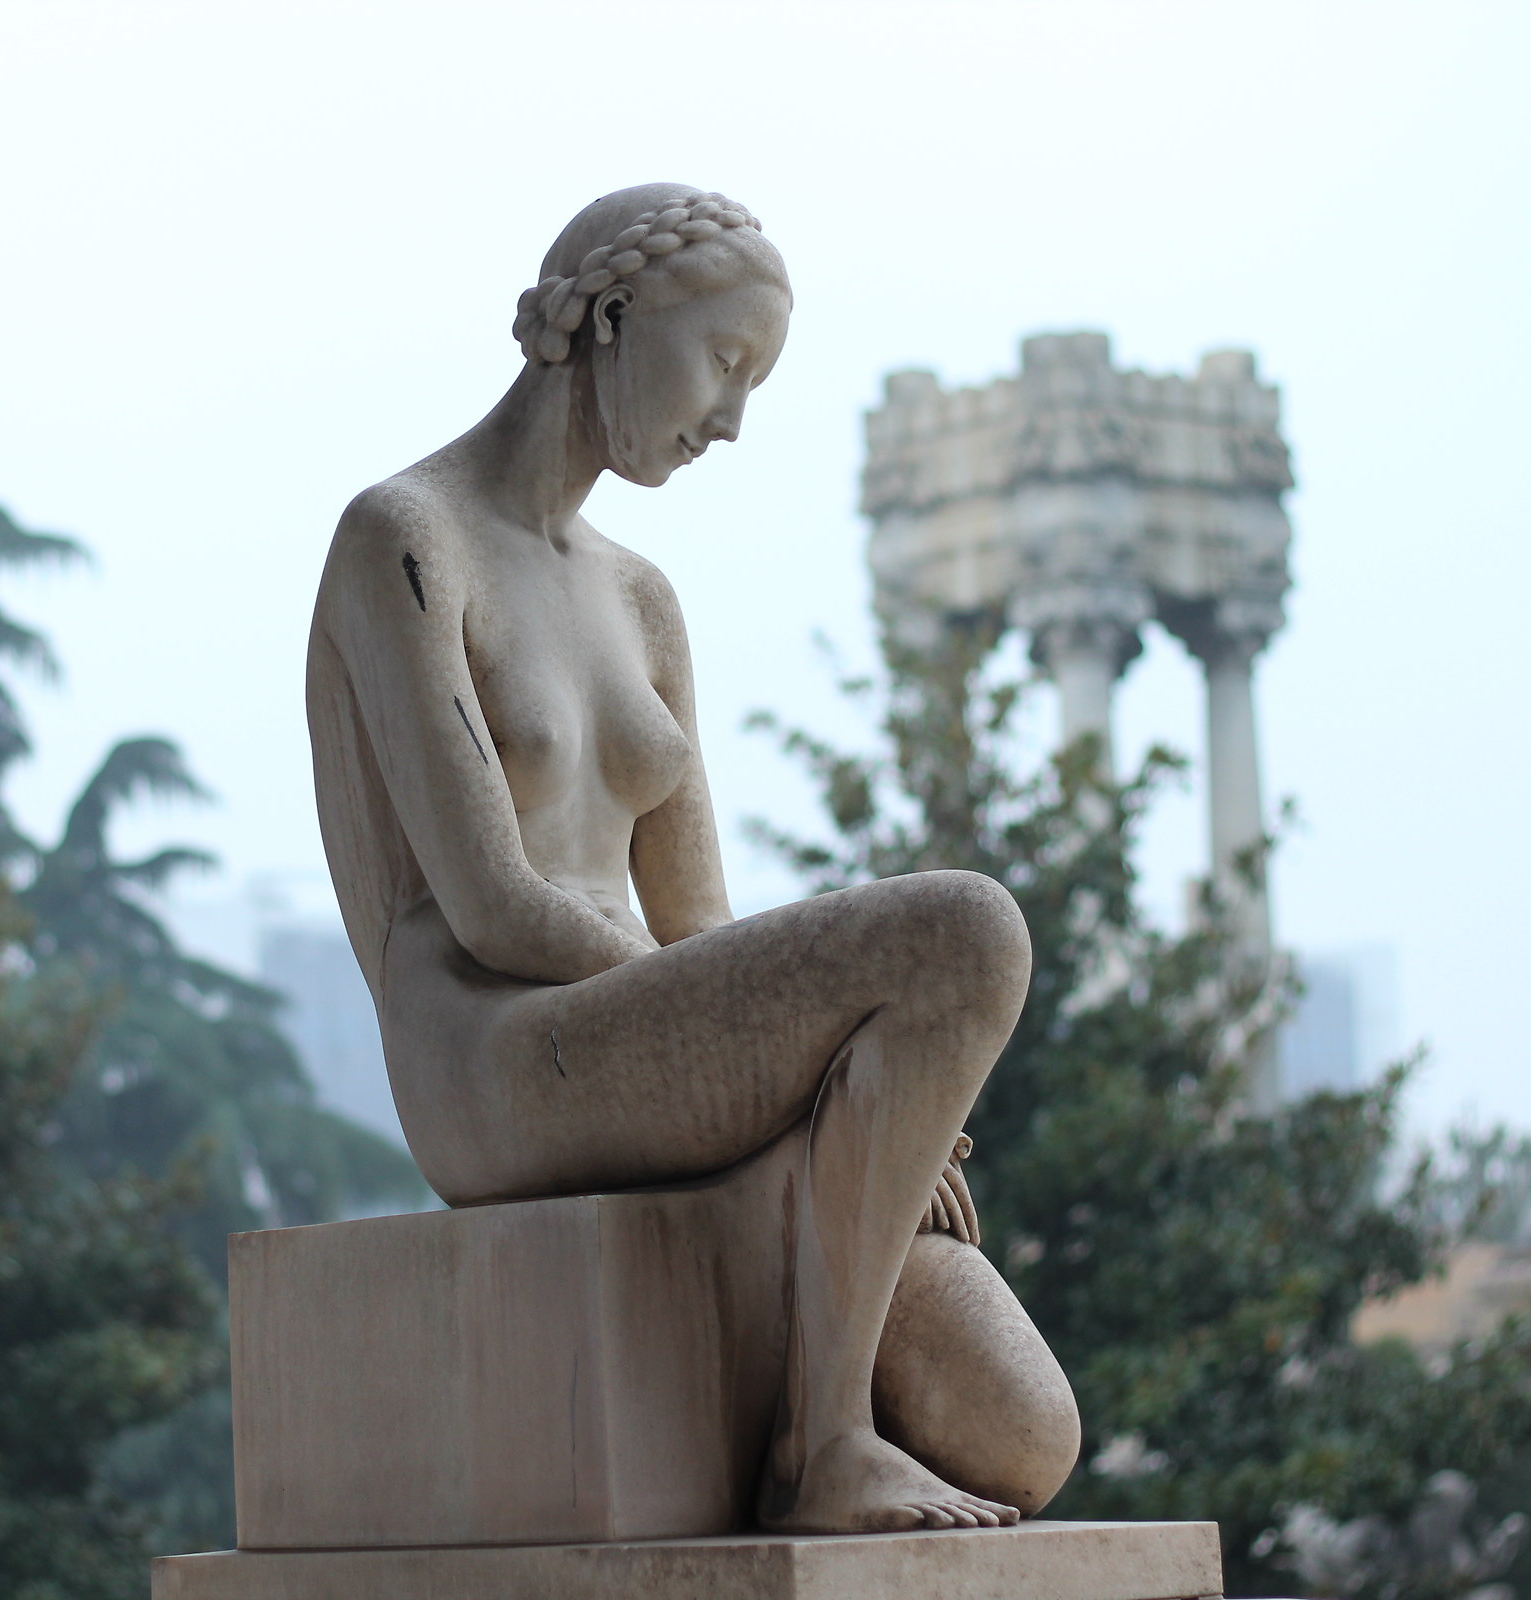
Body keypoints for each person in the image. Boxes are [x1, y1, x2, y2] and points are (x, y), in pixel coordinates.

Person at [305, 184, 1075, 1534]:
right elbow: (491, 904)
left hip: (655, 1047)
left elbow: (703, 921)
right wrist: (798, 1045)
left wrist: (841, 1065)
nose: (731, 419)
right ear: (608, 318)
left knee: (1021, 1431)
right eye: (725, 364)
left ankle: (843, 1420)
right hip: (499, 1052)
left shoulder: (643, 600)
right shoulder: (404, 540)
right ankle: (823, 1442)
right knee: (968, 933)